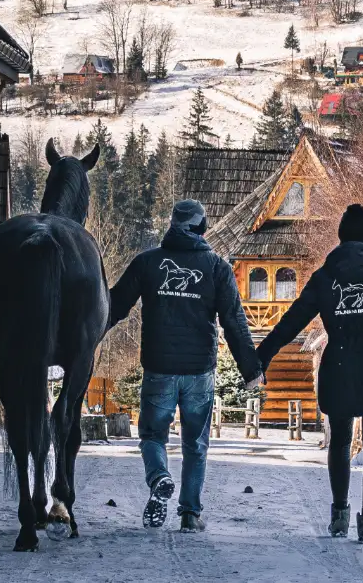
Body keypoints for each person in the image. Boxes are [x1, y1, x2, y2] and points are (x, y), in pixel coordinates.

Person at [257, 204, 363, 543]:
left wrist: (260, 357)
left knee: (339, 442)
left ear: (340, 238)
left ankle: (339, 516)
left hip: (338, 365)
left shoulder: (325, 278)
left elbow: (291, 321)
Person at [108, 199, 263, 532]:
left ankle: (159, 477)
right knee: (196, 443)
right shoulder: (217, 268)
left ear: (172, 225)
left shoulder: (147, 263)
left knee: (152, 436)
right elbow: (234, 321)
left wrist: (79, 337)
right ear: (202, 227)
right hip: (199, 372)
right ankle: (190, 514)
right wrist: (250, 370)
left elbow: (115, 306)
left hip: (159, 368)